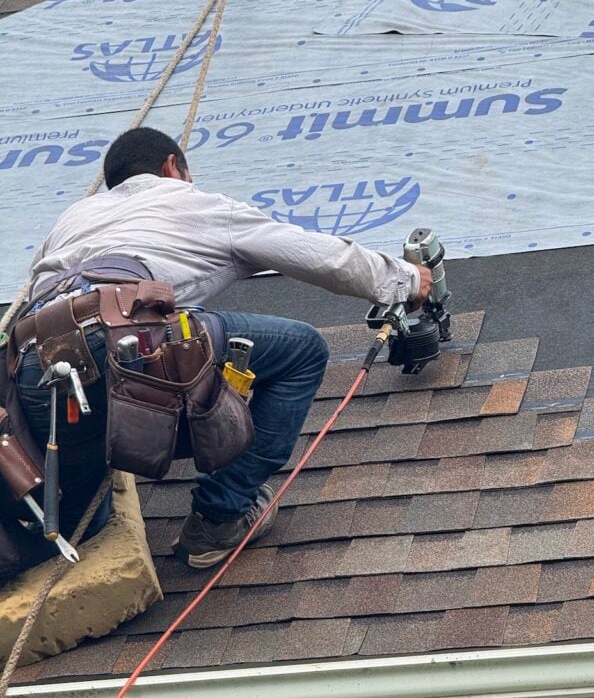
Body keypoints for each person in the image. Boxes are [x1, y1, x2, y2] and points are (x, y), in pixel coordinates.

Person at [14, 127, 431, 570]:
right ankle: (219, 517)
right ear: (172, 167)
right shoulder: (195, 203)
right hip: (127, 342)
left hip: (39, 369)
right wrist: (404, 280)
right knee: (302, 350)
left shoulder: (73, 217)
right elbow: (320, 256)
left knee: (79, 528)